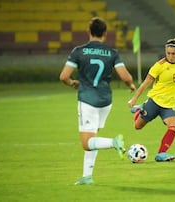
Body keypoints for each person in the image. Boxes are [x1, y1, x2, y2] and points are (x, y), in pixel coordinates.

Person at [59, 17, 136, 184]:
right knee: (93, 138)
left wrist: (72, 83)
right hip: (106, 101)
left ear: (89, 32)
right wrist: (130, 84)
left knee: (87, 143)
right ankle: (87, 176)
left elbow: (64, 76)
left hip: (88, 99)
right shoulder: (112, 53)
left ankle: (113, 142)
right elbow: (125, 76)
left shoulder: (78, 51)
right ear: (105, 34)